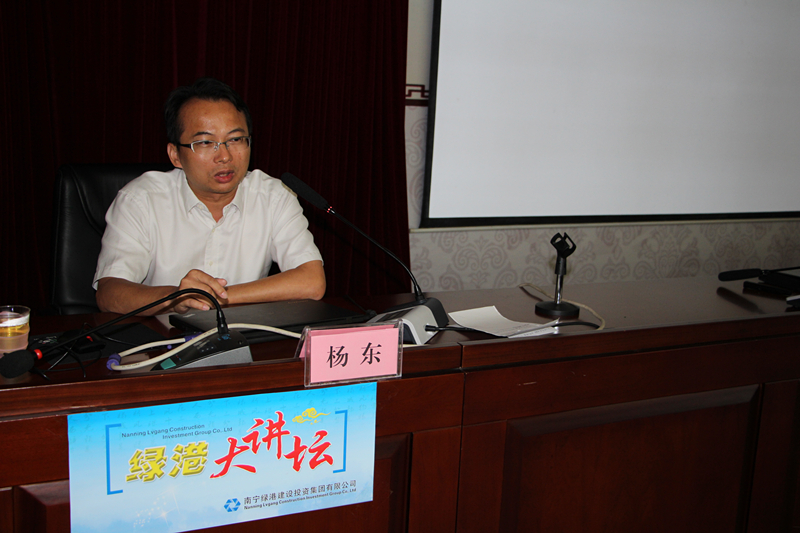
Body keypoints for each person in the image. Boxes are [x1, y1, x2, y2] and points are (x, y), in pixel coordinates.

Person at [94, 78, 326, 315]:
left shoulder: (274, 196)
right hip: (163, 334)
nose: (224, 156)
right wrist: (175, 298)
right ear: (175, 155)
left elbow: (312, 281)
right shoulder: (140, 200)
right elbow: (109, 293)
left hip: (242, 334)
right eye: (205, 142)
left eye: (235, 139)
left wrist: (211, 298)